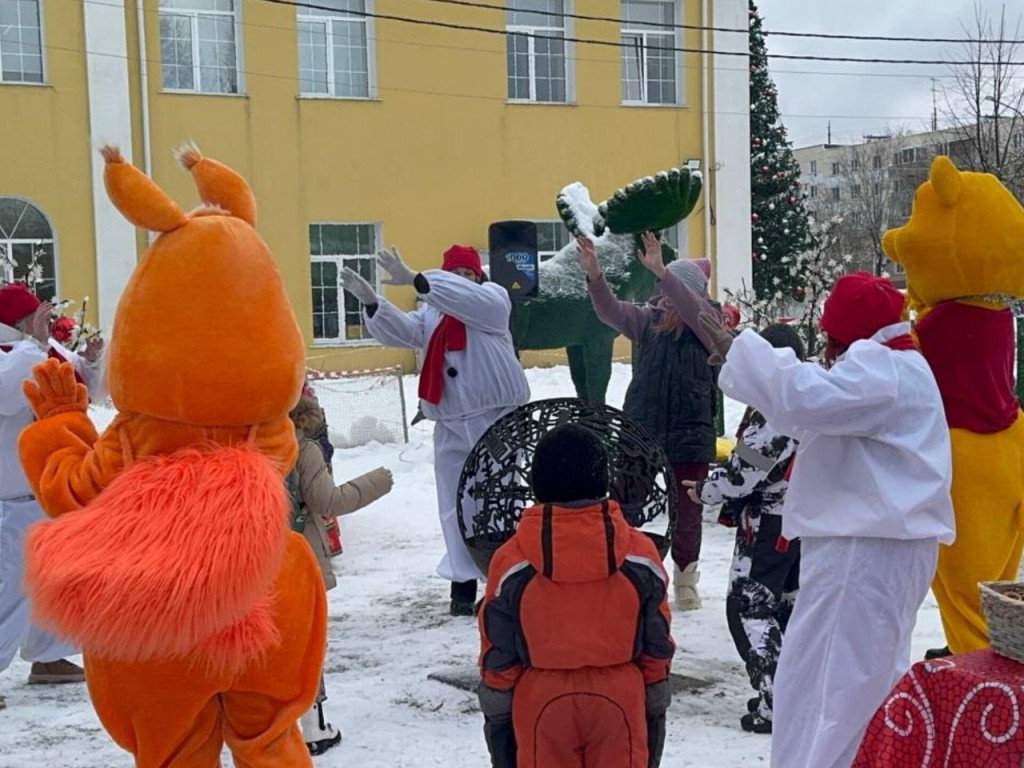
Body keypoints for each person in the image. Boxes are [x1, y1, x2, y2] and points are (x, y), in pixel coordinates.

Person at [18, 145, 327, 766]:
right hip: (267, 598)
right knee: (271, 740)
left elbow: (69, 493)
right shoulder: (270, 430)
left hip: (160, 618)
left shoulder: (136, 437)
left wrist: (60, 424)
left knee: (173, 750)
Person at [697, 272, 955, 768]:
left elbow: (803, 399)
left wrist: (743, 353)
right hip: (872, 548)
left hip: (865, 550)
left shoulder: (882, 369)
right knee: (829, 678)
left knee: (837, 689)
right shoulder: (897, 367)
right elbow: (806, 408)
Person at [340, 245, 529, 616]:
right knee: (455, 504)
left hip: (495, 418)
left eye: (467, 274)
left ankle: (501, 582)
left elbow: (466, 299)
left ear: (478, 276)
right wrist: (374, 304)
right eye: (454, 274)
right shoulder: (433, 312)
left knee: (498, 501)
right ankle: (463, 584)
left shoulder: (493, 299)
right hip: (450, 420)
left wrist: (419, 280)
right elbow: (406, 332)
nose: (461, 280)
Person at [477, 424, 674, 768]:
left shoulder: (512, 560)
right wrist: (656, 686)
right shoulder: (639, 553)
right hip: (620, 696)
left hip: (539, 700)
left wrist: (496, 698)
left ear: (537, 485)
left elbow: (498, 638)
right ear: (603, 480)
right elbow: (656, 630)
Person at [580, 231, 721, 610]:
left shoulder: (709, 323)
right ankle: (618, 569)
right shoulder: (647, 320)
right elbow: (610, 309)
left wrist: (662, 272)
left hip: (691, 433)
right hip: (641, 430)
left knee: (687, 513)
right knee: (625, 502)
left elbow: (690, 309)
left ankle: (686, 581)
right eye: (665, 288)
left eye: (674, 289)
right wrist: (594, 274)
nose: (668, 297)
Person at [683, 323, 804, 735]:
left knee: (751, 607)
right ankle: (792, 693)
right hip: (801, 523)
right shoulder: (810, 400)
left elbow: (744, 473)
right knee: (787, 609)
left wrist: (705, 489)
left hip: (767, 526)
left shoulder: (775, 412)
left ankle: (776, 702)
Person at [0, 282, 106, 709]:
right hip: (12, 496)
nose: (41, 322)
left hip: (47, 486)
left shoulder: (38, 350)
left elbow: (83, 388)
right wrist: (35, 343)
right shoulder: (14, 356)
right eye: (33, 316)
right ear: (18, 321)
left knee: (56, 576)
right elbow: (10, 395)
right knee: (11, 584)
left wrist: (91, 361)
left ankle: (48, 655)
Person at [287, 394, 394, 756]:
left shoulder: (246, 441)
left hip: (254, 557)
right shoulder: (302, 448)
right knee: (305, 641)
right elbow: (327, 502)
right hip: (297, 557)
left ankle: (267, 723)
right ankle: (313, 727)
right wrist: (377, 481)